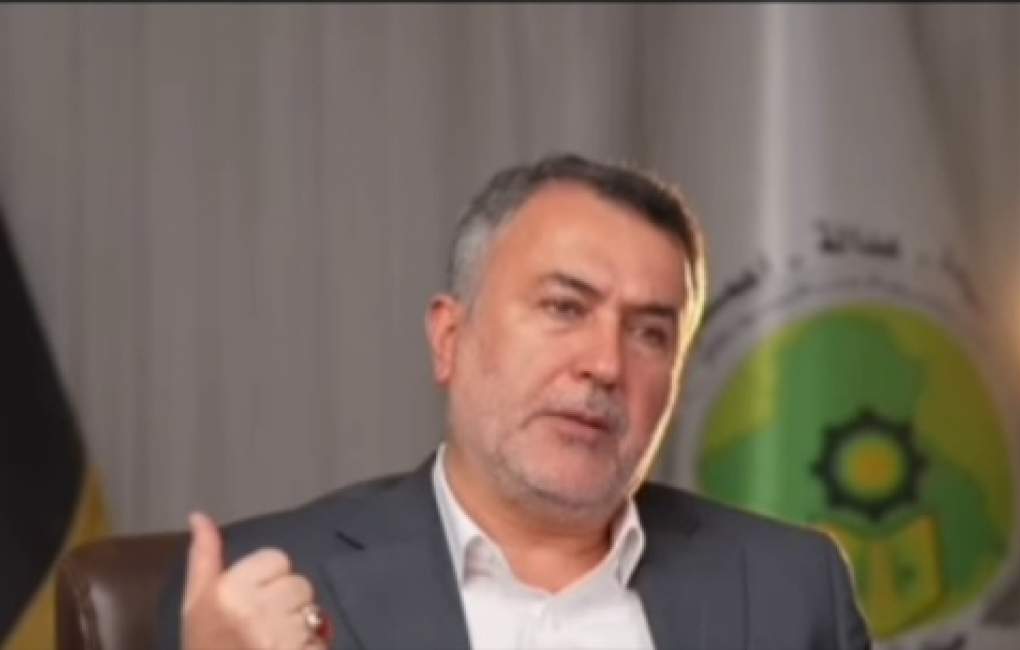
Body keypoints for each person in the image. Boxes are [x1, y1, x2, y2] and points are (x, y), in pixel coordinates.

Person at [156, 153, 871, 649]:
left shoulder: (790, 590)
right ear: (450, 338)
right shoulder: (256, 590)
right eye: (565, 307)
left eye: (651, 333)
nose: (605, 364)